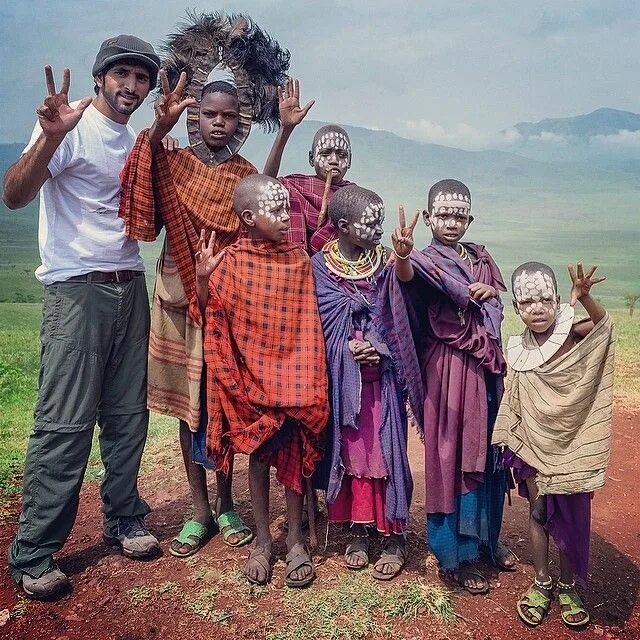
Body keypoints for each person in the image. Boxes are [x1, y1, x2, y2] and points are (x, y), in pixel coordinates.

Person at [119, 13, 290, 557]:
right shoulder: (169, 162)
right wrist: (160, 127)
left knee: (223, 404)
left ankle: (227, 504)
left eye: (228, 116)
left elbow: (261, 197)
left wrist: (283, 131)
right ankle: (197, 511)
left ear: (240, 122)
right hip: (176, 295)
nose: (217, 123)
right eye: (207, 115)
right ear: (194, 119)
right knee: (189, 406)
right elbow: (140, 184)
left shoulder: (242, 172)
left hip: (228, 301)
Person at [2, 35, 161, 599]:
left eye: (142, 78)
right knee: (65, 425)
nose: (132, 87)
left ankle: (123, 518)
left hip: (129, 285)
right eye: (122, 75)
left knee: (127, 418)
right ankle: (35, 551)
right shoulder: (68, 128)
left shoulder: (140, 142)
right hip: (76, 291)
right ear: (100, 78)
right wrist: (48, 138)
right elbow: (15, 194)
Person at [378, 179, 516, 594]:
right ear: (430, 216)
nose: (452, 222)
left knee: (487, 452)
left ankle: (487, 540)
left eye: (461, 215)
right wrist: (402, 256)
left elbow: (495, 307)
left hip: (485, 369)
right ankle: (457, 555)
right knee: (452, 454)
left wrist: (490, 293)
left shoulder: (480, 259)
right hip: (447, 370)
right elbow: (405, 280)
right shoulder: (423, 260)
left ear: (470, 218)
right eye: (444, 215)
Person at [196, 174, 329, 587]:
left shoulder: (298, 259)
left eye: (287, 208)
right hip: (250, 383)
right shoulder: (230, 261)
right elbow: (212, 318)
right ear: (249, 217)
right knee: (257, 457)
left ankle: (294, 541)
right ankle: (261, 542)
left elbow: (307, 324)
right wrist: (202, 279)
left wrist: (299, 378)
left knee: (291, 454)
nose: (286, 216)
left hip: (293, 379)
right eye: (276, 210)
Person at [492, 262, 614, 628]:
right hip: (532, 444)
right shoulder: (517, 350)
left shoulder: (572, 333)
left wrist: (587, 297)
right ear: (516, 308)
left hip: (570, 445)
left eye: (545, 299)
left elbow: (604, 325)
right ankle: (542, 580)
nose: (537, 308)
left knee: (571, 516)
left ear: (558, 300)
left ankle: (567, 585)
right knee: (540, 513)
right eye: (527, 302)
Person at [312, 186, 413, 580]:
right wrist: (345, 349)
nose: (377, 230)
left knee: (386, 451)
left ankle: (394, 534)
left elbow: (400, 316)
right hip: (343, 380)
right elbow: (315, 321)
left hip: (382, 380)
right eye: (369, 224)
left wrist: (377, 346)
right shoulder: (320, 267)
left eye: (379, 223)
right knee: (353, 452)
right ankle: (359, 527)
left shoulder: (386, 263)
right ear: (341, 227)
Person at [263, 80, 353, 254]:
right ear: (311, 159)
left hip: (333, 275)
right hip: (294, 267)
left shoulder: (353, 197)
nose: (334, 160)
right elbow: (266, 185)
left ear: (349, 161)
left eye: (341, 155)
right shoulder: (294, 187)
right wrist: (285, 129)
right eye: (326, 153)